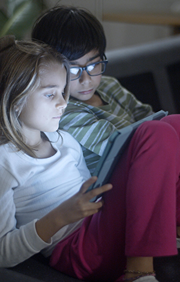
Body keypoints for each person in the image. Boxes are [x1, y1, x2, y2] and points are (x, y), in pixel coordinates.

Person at [1, 35, 180, 282]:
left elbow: (94, 193)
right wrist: (59, 217)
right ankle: (139, 272)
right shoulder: (5, 162)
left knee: (174, 123)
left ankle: (168, 227)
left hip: (100, 226)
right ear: (16, 100)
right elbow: (3, 254)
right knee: (154, 132)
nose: (63, 103)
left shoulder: (64, 141)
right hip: (77, 251)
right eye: (50, 95)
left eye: (63, 92)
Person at [31, 6, 154, 174]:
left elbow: (148, 116)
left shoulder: (109, 85)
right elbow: (124, 149)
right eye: (73, 70)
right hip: (119, 180)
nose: (86, 80)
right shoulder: (62, 110)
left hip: (147, 162)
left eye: (94, 65)